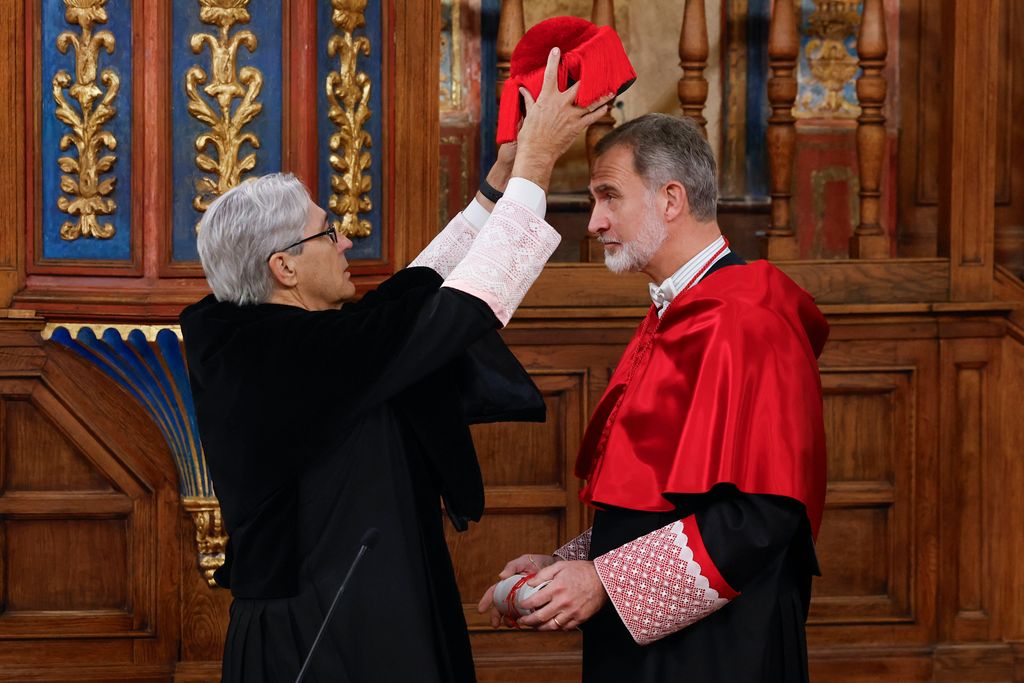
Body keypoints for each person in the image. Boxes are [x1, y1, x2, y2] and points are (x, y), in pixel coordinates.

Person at [180, 48, 613, 683]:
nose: (345, 241)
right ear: (285, 266)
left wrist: (499, 182)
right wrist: (540, 164)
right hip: (327, 636)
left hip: (353, 612)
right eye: (328, 233)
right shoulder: (292, 358)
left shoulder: (276, 341)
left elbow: (409, 294)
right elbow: (456, 311)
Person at [478, 114, 829, 682]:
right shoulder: (677, 309)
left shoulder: (749, 316)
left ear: (671, 199)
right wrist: (569, 566)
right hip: (664, 644)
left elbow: (760, 518)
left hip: (719, 650)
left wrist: (605, 582)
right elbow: (661, 498)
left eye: (609, 196)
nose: (594, 222)